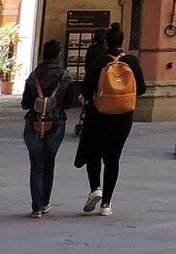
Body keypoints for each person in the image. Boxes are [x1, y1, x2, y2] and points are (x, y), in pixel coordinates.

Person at [78, 25, 145, 217]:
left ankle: (95, 189)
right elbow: (141, 89)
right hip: (124, 116)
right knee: (113, 157)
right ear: (122, 42)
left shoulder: (99, 62)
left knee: (93, 152)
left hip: (100, 114)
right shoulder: (131, 61)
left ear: (106, 42)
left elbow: (85, 89)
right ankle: (106, 204)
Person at [19, 37, 72, 218]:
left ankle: (37, 207)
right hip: (56, 123)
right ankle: (46, 202)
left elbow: (25, 103)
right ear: (58, 54)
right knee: (49, 163)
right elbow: (70, 102)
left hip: (33, 123)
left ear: (43, 54)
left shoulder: (33, 76)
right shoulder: (65, 76)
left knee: (36, 165)